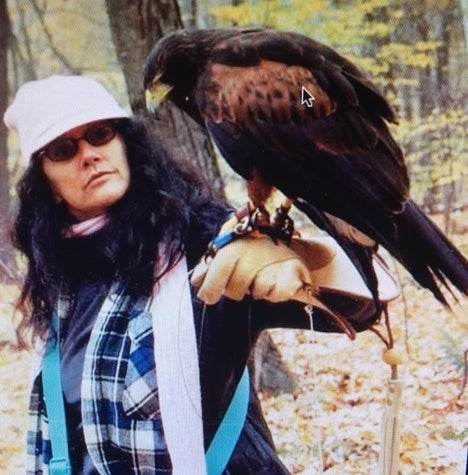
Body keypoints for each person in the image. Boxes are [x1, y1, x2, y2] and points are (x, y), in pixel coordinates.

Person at [4, 75, 388, 475]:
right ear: (47, 185)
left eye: (100, 133)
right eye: (64, 149)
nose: (89, 154)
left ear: (126, 144)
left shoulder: (204, 239)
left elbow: (365, 303)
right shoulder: (59, 286)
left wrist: (305, 258)